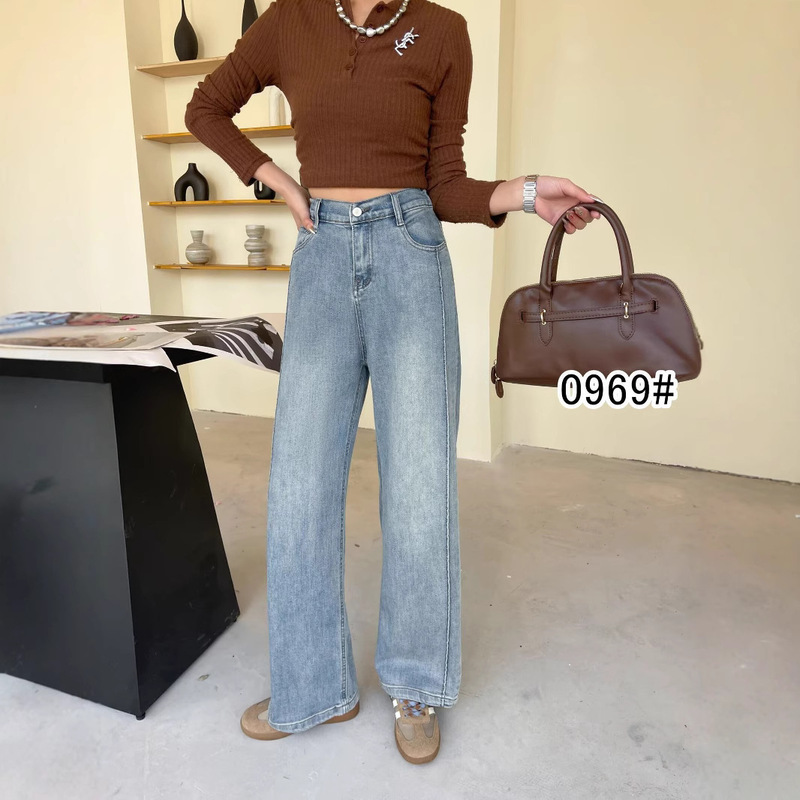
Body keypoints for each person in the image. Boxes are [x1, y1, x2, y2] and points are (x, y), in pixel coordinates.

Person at [185, 0, 598, 765]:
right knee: (299, 482)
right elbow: (206, 107)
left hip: (411, 255)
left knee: (419, 484)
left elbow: (445, 183)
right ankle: (314, 686)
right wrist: (275, 179)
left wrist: (522, 192)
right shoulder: (290, 20)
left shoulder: (443, 31)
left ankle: (417, 683)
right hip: (321, 257)